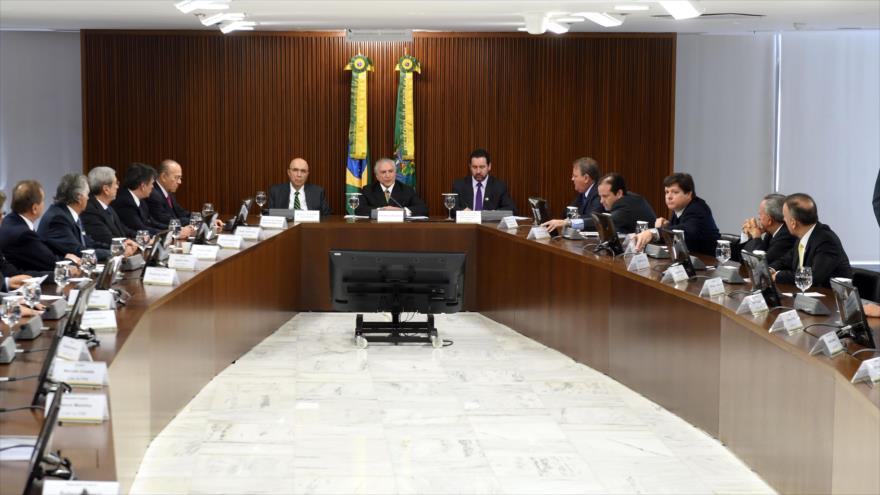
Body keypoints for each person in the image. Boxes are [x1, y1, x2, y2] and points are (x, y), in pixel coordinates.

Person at [37, 174, 137, 261]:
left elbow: (89, 243)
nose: (88, 198)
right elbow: (78, 251)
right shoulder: (58, 219)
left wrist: (119, 248)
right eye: (87, 194)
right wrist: (117, 253)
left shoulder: (68, 213)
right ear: (78, 197)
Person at [770, 193, 852, 288]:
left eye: (784, 216)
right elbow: (785, 261)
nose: (784, 219)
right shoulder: (803, 236)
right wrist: (771, 269)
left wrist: (778, 276)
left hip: (829, 299)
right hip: (807, 296)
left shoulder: (826, 240)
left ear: (793, 223)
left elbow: (813, 277)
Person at [0, 180, 82, 271]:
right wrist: (70, 259)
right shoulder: (24, 234)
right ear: (34, 208)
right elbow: (51, 264)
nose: (44, 204)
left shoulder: (9, 220)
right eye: (42, 200)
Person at [633, 173, 720, 255]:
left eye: (675, 192)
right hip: (691, 260)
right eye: (667, 192)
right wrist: (667, 226)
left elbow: (686, 231)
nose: (669, 196)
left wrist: (653, 232)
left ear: (689, 194)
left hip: (708, 262)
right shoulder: (679, 209)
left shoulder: (698, 209)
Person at [543, 173, 656, 234]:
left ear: (619, 193)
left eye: (605, 196)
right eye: (600, 196)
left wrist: (568, 223)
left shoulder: (626, 205)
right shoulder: (626, 198)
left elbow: (605, 221)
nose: (601, 201)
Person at [81, 166, 138, 249]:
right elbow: (105, 238)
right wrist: (127, 242)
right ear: (106, 189)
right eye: (116, 183)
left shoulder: (108, 207)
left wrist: (141, 238)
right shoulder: (90, 210)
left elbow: (123, 230)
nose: (117, 187)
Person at [354, 158, 428, 217]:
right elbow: (359, 209)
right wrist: (381, 211)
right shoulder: (368, 190)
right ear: (377, 176)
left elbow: (423, 208)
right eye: (383, 172)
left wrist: (401, 211)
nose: (387, 175)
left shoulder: (407, 190)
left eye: (390, 171)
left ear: (395, 173)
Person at [451, 148, 516, 213]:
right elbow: (451, 208)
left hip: (489, 223)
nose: (478, 171)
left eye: (482, 167)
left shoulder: (499, 186)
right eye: (474, 167)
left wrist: (495, 213)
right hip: (467, 223)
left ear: (489, 166)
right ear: (470, 167)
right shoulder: (459, 185)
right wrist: (462, 212)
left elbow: (511, 208)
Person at [740, 193, 796, 265]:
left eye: (760, 214)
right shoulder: (770, 233)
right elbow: (744, 259)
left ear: (769, 220)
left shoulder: (786, 236)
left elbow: (761, 264)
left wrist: (756, 237)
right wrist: (747, 235)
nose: (758, 218)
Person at [112, 163, 168, 235]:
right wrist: (165, 233)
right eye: (152, 183)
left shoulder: (141, 200)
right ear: (143, 186)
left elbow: (151, 222)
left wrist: (170, 230)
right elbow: (140, 228)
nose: (152, 187)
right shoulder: (124, 202)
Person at [267, 157, 332, 215]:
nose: (299, 175)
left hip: (309, 226)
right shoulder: (275, 191)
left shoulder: (318, 191)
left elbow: (327, 216)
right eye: (295, 170)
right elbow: (269, 214)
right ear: (289, 172)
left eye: (303, 171)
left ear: (307, 174)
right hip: (286, 227)